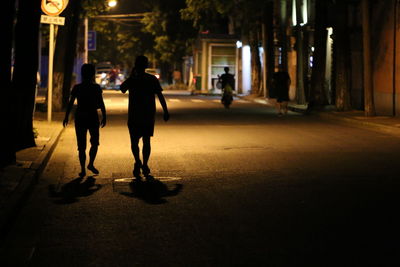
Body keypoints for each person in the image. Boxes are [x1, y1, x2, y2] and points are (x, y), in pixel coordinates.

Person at [120, 56, 170, 178]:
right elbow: (160, 95)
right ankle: (145, 164)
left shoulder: (132, 79)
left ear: (135, 65)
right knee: (146, 140)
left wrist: (131, 76)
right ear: (146, 65)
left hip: (134, 114)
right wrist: (165, 110)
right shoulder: (151, 79)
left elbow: (122, 89)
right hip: (148, 114)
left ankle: (137, 161)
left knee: (134, 141)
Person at [63, 64, 107, 177]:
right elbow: (101, 103)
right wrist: (104, 116)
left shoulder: (77, 87)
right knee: (95, 143)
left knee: (81, 146)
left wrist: (66, 116)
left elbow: (71, 103)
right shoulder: (96, 87)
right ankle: (90, 164)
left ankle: (83, 169)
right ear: (92, 74)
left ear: (82, 74)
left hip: (80, 117)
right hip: (92, 117)